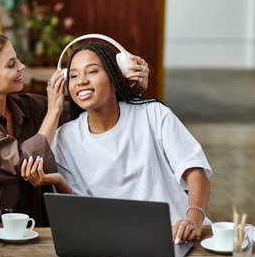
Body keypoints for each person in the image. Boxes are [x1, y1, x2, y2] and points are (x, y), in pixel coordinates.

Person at [0, 31, 151, 228]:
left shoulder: (25, 105)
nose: (22, 67)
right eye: (11, 64)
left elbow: (90, 111)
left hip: (26, 229)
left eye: (18, 60)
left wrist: (130, 89)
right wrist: (53, 111)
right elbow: (21, 161)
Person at [21, 43, 212, 244]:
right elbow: (81, 211)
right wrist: (59, 182)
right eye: (74, 76)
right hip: (113, 242)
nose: (82, 81)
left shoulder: (153, 114)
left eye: (92, 71)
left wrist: (194, 219)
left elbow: (195, 173)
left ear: (114, 77)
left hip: (176, 236)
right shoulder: (64, 138)